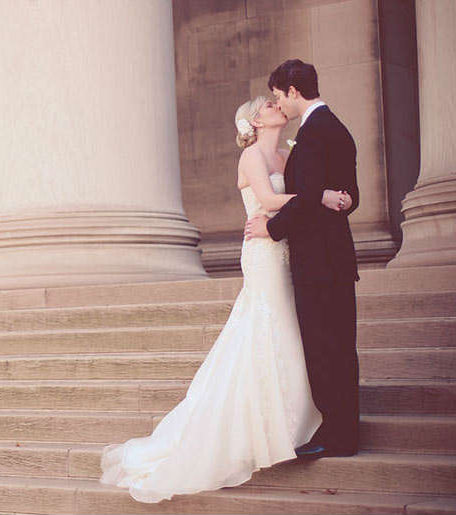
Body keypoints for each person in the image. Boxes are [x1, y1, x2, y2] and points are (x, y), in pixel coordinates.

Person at [98, 88, 352, 503]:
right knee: (266, 324)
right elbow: (269, 201)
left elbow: (295, 202)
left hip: (288, 251)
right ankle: (256, 427)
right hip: (263, 252)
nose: (276, 107)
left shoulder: (288, 157)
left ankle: (298, 420)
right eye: (268, 106)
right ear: (255, 121)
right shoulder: (250, 158)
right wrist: (320, 198)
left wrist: (327, 195)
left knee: (291, 327)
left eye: (275, 102)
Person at [246, 59, 361, 460]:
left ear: (294, 91)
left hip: (318, 262)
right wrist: (340, 199)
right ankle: (344, 429)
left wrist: (271, 229)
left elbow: (310, 198)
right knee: (341, 345)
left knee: (325, 345)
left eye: (279, 96)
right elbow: (349, 194)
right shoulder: (339, 128)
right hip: (336, 258)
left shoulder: (313, 134)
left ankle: (338, 433)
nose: (279, 103)